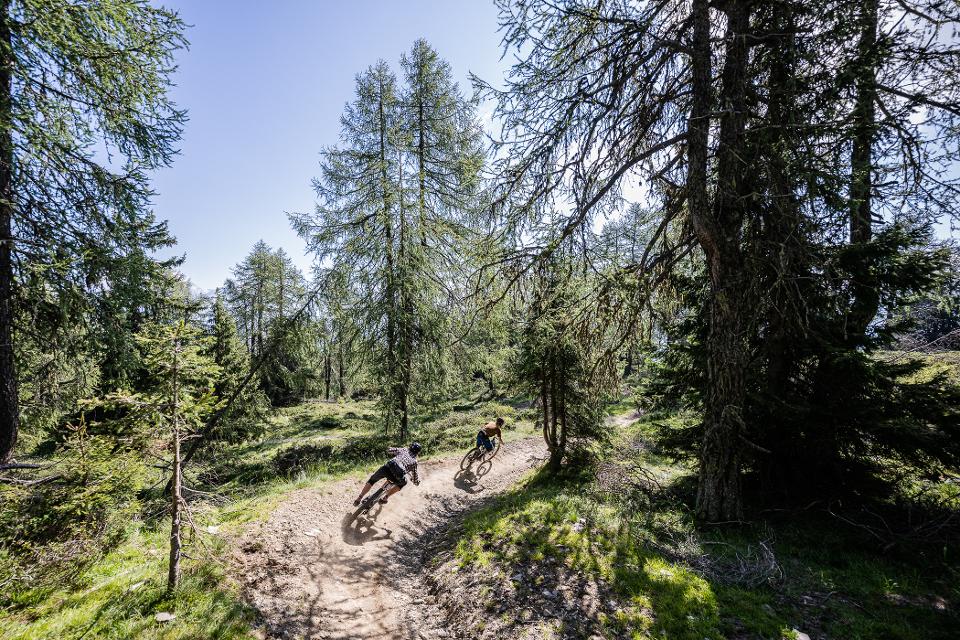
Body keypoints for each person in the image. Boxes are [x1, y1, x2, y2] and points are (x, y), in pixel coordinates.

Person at [353, 442, 422, 506]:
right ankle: (385, 497)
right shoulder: (414, 462)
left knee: (372, 480)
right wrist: (416, 482)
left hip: (387, 468)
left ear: (410, 447)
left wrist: (391, 450)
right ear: (417, 453)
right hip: (397, 476)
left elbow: (390, 450)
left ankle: (359, 498)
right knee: (404, 483)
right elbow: (415, 478)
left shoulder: (404, 450)